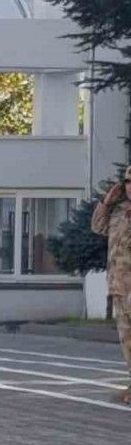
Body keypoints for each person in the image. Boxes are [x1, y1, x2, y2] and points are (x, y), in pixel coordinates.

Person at [90, 167, 131, 404]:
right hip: (119, 286)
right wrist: (106, 203)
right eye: (128, 182)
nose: (130, 187)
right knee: (127, 339)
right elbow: (98, 227)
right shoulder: (119, 211)